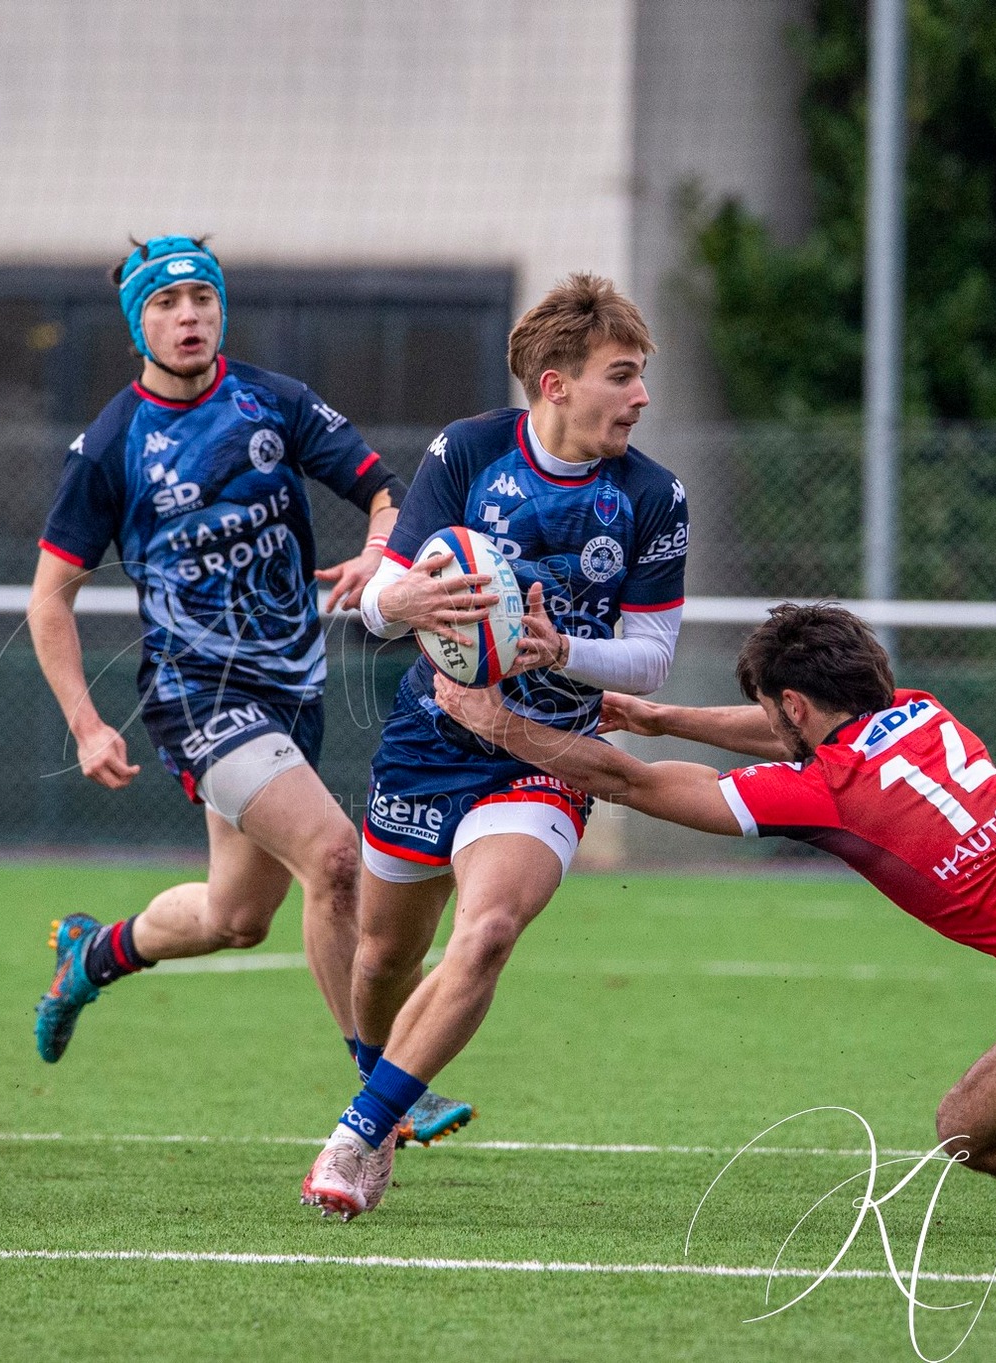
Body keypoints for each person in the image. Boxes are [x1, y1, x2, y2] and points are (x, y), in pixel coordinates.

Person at [433, 602, 996, 1294]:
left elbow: (625, 782)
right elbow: (788, 729)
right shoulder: (921, 711)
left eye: (771, 711)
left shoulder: (823, 790)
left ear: (794, 705)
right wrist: (669, 719)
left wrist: (495, 721)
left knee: (968, 1134)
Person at [26, 236, 486, 1132]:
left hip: (292, 687)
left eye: (201, 296)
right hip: (195, 694)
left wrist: (379, 553)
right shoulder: (113, 444)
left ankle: (93, 952)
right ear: (138, 324)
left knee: (237, 916)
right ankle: (387, 1080)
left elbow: (385, 489)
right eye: (166, 303)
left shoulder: (272, 401)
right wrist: (84, 722)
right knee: (334, 857)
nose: (188, 314)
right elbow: (50, 598)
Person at [300, 273, 688, 1216]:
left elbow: (652, 658)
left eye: (641, 377)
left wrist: (566, 651)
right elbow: (386, 606)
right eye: (622, 375)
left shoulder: (652, 495)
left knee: (488, 931)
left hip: (543, 754)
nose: (641, 396)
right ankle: (386, 1091)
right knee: (383, 960)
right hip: (431, 741)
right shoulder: (468, 453)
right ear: (555, 383)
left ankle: (356, 1139)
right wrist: (410, 599)